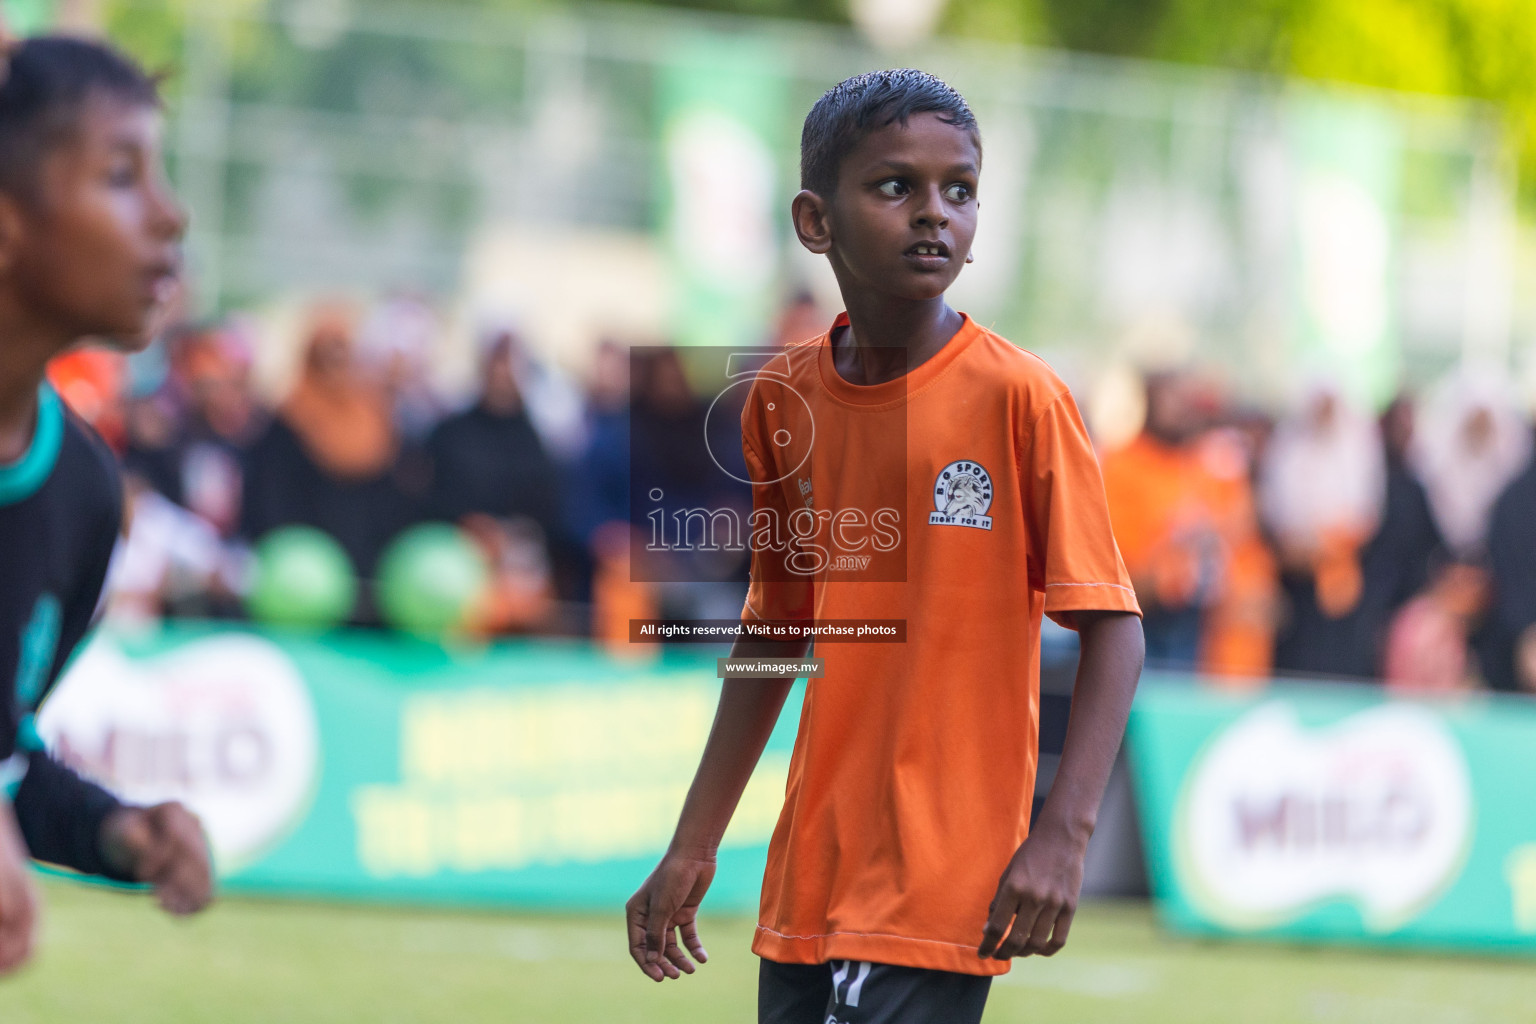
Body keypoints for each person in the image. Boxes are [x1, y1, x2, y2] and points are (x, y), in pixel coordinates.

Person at [625, 70, 1144, 1024]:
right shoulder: (782, 400)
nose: (935, 214)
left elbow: (1113, 628)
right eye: (896, 186)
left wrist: (1063, 834)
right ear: (815, 222)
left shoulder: (1021, 399)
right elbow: (776, 632)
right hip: (808, 882)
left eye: (961, 190)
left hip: (938, 882)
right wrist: (695, 842)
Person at [0, 35, 214, 974]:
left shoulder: (85, 494)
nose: (172, 215)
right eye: (121, 175)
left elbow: (3, 761)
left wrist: (113, 829)